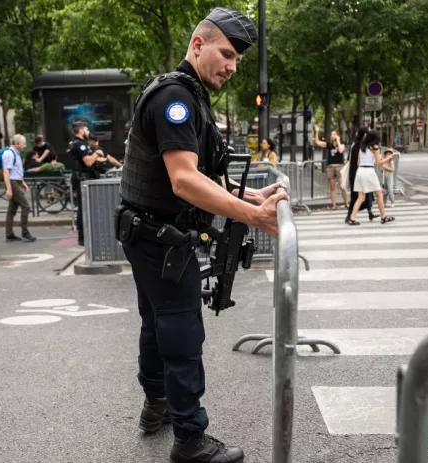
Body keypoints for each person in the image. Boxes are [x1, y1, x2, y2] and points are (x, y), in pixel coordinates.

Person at [117, 8, 286, 463]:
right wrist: (256, 216)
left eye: (237, 60)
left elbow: (201, 172)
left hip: (148, 233)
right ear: (197, 44)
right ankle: (190, 439)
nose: (232, 66)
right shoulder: (177, 99)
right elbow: (184, 182)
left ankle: (156, 406)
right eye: (226, 53)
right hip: (161, 238)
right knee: (181, 333)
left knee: (157, 325)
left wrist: (249, 194)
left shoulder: (183, 93)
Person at [346, 130, 396, 225]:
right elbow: (378, 163)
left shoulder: (362, 147)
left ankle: (351, 218)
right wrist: (388, 158)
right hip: (369, 172)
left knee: (361, 197)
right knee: (379, 194)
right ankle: (383, 217)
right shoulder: (375, 147)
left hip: (360, 172)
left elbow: (358, 163)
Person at [68, 119, 103, 246]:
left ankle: (85, 236)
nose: (88, 131)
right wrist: (97, 153)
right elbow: (88, 161)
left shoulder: (79, 143)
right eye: (86, 129)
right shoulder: (79, 144)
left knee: (85, 207)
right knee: (84, 208)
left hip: (83, 177)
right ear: (81, 129)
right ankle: (83, 237)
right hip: (82, 178)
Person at [2, 134, 36, 242]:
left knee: (11, 210)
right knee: (26, 206)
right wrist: (9, 189)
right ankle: (25, 232)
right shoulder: (9, 154)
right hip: (13, 183)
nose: (25, 145)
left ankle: (9, 234)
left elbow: (15, 171)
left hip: (16, 181)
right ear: (17, 143)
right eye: (24, 143)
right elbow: (6, 172)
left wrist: (22, 181)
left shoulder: (16, 153)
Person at [312, 124, 349, 209]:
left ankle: (346, 203)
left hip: (339, 166)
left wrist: (338, 141)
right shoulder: (329, 145)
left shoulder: (342, 144)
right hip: (330, 167)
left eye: (334, 134)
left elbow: (340, 150)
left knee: (342, 186)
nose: (332, 136)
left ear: (337, 136)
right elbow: (317, 142)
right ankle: (334, 205)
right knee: (332, 187)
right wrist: (317, 131)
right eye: (331, 134)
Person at [345, 126, 375, 222]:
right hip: (359, 174)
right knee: (358, 196)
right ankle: (349, 216)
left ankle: (370, 212)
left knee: (366, 194)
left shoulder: (354, 145)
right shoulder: (362, 146)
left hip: (354, 173)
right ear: (365, 134)